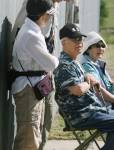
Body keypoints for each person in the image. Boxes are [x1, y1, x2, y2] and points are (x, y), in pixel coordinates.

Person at [54, 23, 114, 150]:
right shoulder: (64, 65)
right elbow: (78, 90)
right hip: (80, 114)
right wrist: (88, 82)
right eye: (74, 39)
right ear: (64, 42)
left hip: (90, 110)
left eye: (80, 39)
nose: (79, 43)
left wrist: (87, 77)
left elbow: (85, 78)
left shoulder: (74, 63)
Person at [11, 0, 59, 149]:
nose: (50, 18)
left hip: (32, 89)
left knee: (33, 135)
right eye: (48, 15)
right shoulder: (31, 35)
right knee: (28, 140)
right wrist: (56, 59)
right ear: (42, 15)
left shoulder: (31, 30)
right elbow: (51, 63)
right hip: (28, 91)